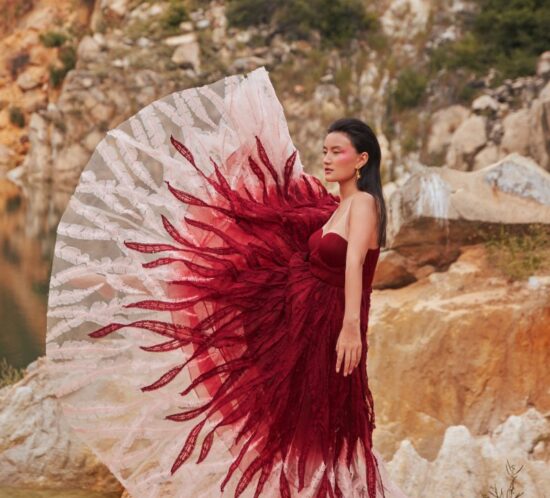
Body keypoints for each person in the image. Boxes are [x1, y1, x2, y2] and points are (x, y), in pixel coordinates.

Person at [46, 66, 408, 498]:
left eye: (337, 152)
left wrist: (351, 328)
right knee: (289, 408)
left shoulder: (365, 204)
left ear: (362, 159)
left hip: (330, 326)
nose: (327, 158)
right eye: (325, 150)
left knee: (319, 417)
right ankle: (126, 283)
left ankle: (327, 490)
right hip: (303, 318)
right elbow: (285, 198)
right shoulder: (331, 206)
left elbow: (354, 270)